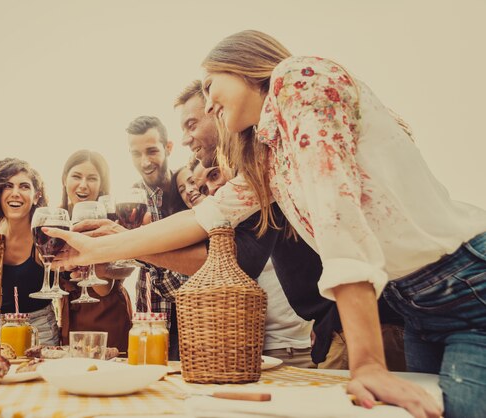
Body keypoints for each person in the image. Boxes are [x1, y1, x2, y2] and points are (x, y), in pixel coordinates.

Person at [45, 30, 486, 417]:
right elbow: (207, 217)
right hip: (415, 308)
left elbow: (337, 213)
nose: (209, 98)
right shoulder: (269, 161)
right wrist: (99, 249)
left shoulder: (300, 79)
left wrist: (367, 361)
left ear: (244, 63)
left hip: (468, 286)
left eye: (210, 83)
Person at [177, 81, 404, 370]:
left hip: (363, 329)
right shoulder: (260, 170)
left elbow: (242, 262)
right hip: (339, 328)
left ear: (219, 113)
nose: (186, 138)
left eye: (192, 124)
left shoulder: (270, 161)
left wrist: (124, 249)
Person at [174, 163, 315, 368]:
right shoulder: (211, 243)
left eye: (214, 175)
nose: (209, 189)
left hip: (298, 347)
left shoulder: (265, 214)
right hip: (245, 353)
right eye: (202, 188)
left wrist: (323, 319)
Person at [125, 116, 187, 361]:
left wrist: (141, 251)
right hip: (150, 320)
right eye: (135, 153)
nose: (145, 162)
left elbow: (184, 286)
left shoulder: (187, 191)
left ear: (168, 148)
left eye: (152, 151)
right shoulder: (130, 200)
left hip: (193, 321)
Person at [0, 158, 59, 346]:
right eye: (8, 186)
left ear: (36, 196)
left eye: (24, 187)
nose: (15, 193)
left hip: (39, 328)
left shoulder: (44, 234)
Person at [58, 150, 133, 352]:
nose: (83, 185)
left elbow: (103, 288)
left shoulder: (109, 222)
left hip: (106, 316)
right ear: (65, 179)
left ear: (101, 185)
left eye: (92, 178)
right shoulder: (57, 219)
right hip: (70, 322)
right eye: (76, 176)